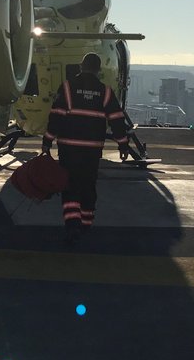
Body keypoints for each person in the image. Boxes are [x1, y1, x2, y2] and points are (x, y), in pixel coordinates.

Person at [41, 52, 132, 241]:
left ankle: (72, 224)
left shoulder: (67, 88)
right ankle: (86, 223)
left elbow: (56, 115)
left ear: (81, 67)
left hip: (68, 148)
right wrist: (123, 145)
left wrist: (47, 141)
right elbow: (116, 119)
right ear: (99, 70)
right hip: (92, 149)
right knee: (88, 185)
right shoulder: (105, 91)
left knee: (70, 185)